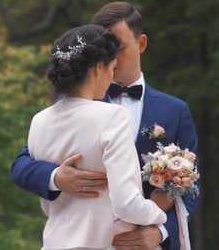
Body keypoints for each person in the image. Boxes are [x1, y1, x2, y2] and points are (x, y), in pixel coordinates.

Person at [12, 2, 199, 250]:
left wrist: (161, 232)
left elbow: (191, 186)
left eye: (117, 48)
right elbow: (22, 165)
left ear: (141, 44)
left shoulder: (175, 111)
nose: (111, 57)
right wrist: (55, 177)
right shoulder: (67, 108)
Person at [27, 24, 167, 250]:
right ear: (98, 68)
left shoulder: (38, 122)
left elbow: (48, 205)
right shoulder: (113, 117)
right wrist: (159, 215)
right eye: (112, 67)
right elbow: (127, 204)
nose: (113, 76)